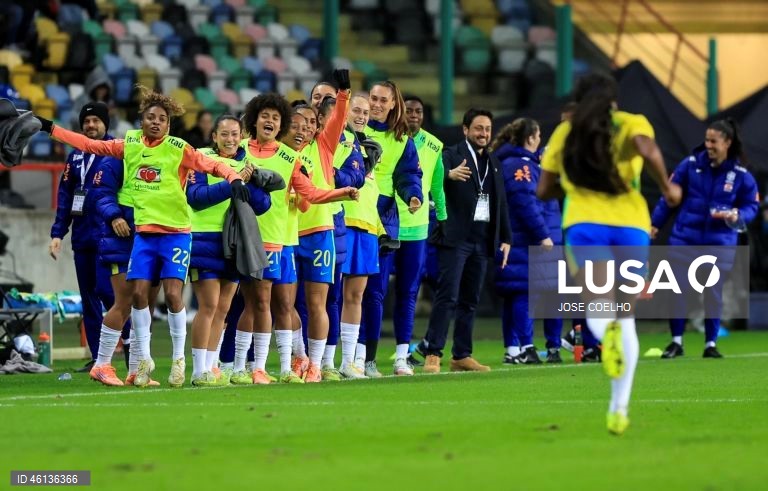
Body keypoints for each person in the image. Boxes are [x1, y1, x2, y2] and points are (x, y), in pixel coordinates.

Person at [36, 85, 251, 388]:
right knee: (137, 296)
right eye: (151, 117)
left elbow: (211, 164)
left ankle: (178, 360)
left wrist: (233, 176)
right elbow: (88, 144)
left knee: (173, 295)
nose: (156, 122)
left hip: (176, 233)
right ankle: (143, 361)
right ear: (141, 121)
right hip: (144, 235)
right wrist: (49, 128)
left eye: (162, 119)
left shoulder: (178, 148)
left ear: (169, 125)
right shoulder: (130, 145)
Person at [537, 73, 681, 435]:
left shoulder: (566, 132)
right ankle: (619, 410)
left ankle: (607, 332)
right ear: (615, 98)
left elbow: (543, 189)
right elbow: (647, 149)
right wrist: (667, 187)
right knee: (626, 315)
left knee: (599, 306)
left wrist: (570, 187)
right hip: (631, 226)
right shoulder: (632, 122)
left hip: (585, 225)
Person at [232, 88, 357, 385]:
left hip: (300, 236)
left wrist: (340, 192)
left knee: (295, 304)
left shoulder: (310, 151)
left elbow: (308, 196)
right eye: (297, 124)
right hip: (257, 236)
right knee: (257, 303)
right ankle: (238, 365)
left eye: (310, 124)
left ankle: (309, 364)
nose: (304, 129)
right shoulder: (243, 149)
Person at [651, 119, 758, 359]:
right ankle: (676, 342)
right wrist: (656, 223)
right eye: (706, 140)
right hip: (685, 238)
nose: (708, 145)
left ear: (727, 143)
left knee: (712, 292)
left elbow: (751, 205)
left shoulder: (741, 175)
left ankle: (710, 344)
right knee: (677, 289)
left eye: (713, 141)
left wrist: (737, 215)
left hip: (719, 242)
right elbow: (669, 195)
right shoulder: (690, 165)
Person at [416, 108, 511, 374]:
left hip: (482, 239)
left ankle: (462, 355)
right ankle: (433, 352)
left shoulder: (493, 161)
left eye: (487, 129)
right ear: (465, 129)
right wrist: (448, 175)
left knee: (470, 300)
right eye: (478, 128)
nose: (484, 134)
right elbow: (430, 179)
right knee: (447, 296)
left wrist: (506, 237)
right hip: (455, 239)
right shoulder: (450, 155)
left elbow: (501, 201)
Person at [186, 114, 277, 386]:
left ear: (242, 136)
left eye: (235, 134)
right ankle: (198, 370)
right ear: (214, 136)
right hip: (204, 239)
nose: (230, 139)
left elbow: (262, 205)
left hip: (235, 242)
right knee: (209, 304)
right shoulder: (200, 158)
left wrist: (249, 180)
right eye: (224, 134)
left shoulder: (246, 164)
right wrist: (233, 182)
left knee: (223, 308)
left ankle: (210, 367)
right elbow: (196, 198)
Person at [48, 102, 123, 374]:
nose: (91, 125)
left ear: (105, 124)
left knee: (108, 293)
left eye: (96, 121)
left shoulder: (117, 152)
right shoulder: (75, 156)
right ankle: (98, 359)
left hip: (107, 235)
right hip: (82, 236)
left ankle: (131, 347)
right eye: (87, 121)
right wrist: (58, 233)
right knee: (88, 297)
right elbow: (66, 195)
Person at [357, 80, 423, 377]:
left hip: (384, 217)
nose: (376, 104)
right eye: (373, 98)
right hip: (351, 212)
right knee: (344, 291)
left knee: (375, 290)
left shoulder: (401, 140)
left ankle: (367, 359)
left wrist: (413, 194)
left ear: (394, 104)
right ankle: (339, 358)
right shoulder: (353, 131)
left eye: (383, 100)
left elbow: (409, 174)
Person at [491, 117, 565, 365]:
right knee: (523, 292)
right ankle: (526, 348)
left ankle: (543, 348)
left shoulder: (531, 163)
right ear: (531, 137)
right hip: (529, 240)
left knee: (546, 294)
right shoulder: (518, 166)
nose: (540, 139)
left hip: (541, 237)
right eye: (538, 135)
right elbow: (525, 204)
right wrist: (542, 235)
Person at [384, 94, 446, 375]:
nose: (413, 115)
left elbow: (437, 187)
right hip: (385, 224)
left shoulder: (434, 145)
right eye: (408, 111)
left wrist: (443, 220)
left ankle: (402, 356)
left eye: (418, 111)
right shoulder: (386, 140)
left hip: (418, 229)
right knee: (374, 291)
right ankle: (361, 356)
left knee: (409, 292)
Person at [338, 93, 380, 379]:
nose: (362, 116)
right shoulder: (336, 141)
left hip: (367, 227)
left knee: (356, 295)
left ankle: (348, 362)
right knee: (328, 297)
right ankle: (320, 360)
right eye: (357, 110)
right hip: (340, 222)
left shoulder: (371, 147)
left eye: (366, 112)